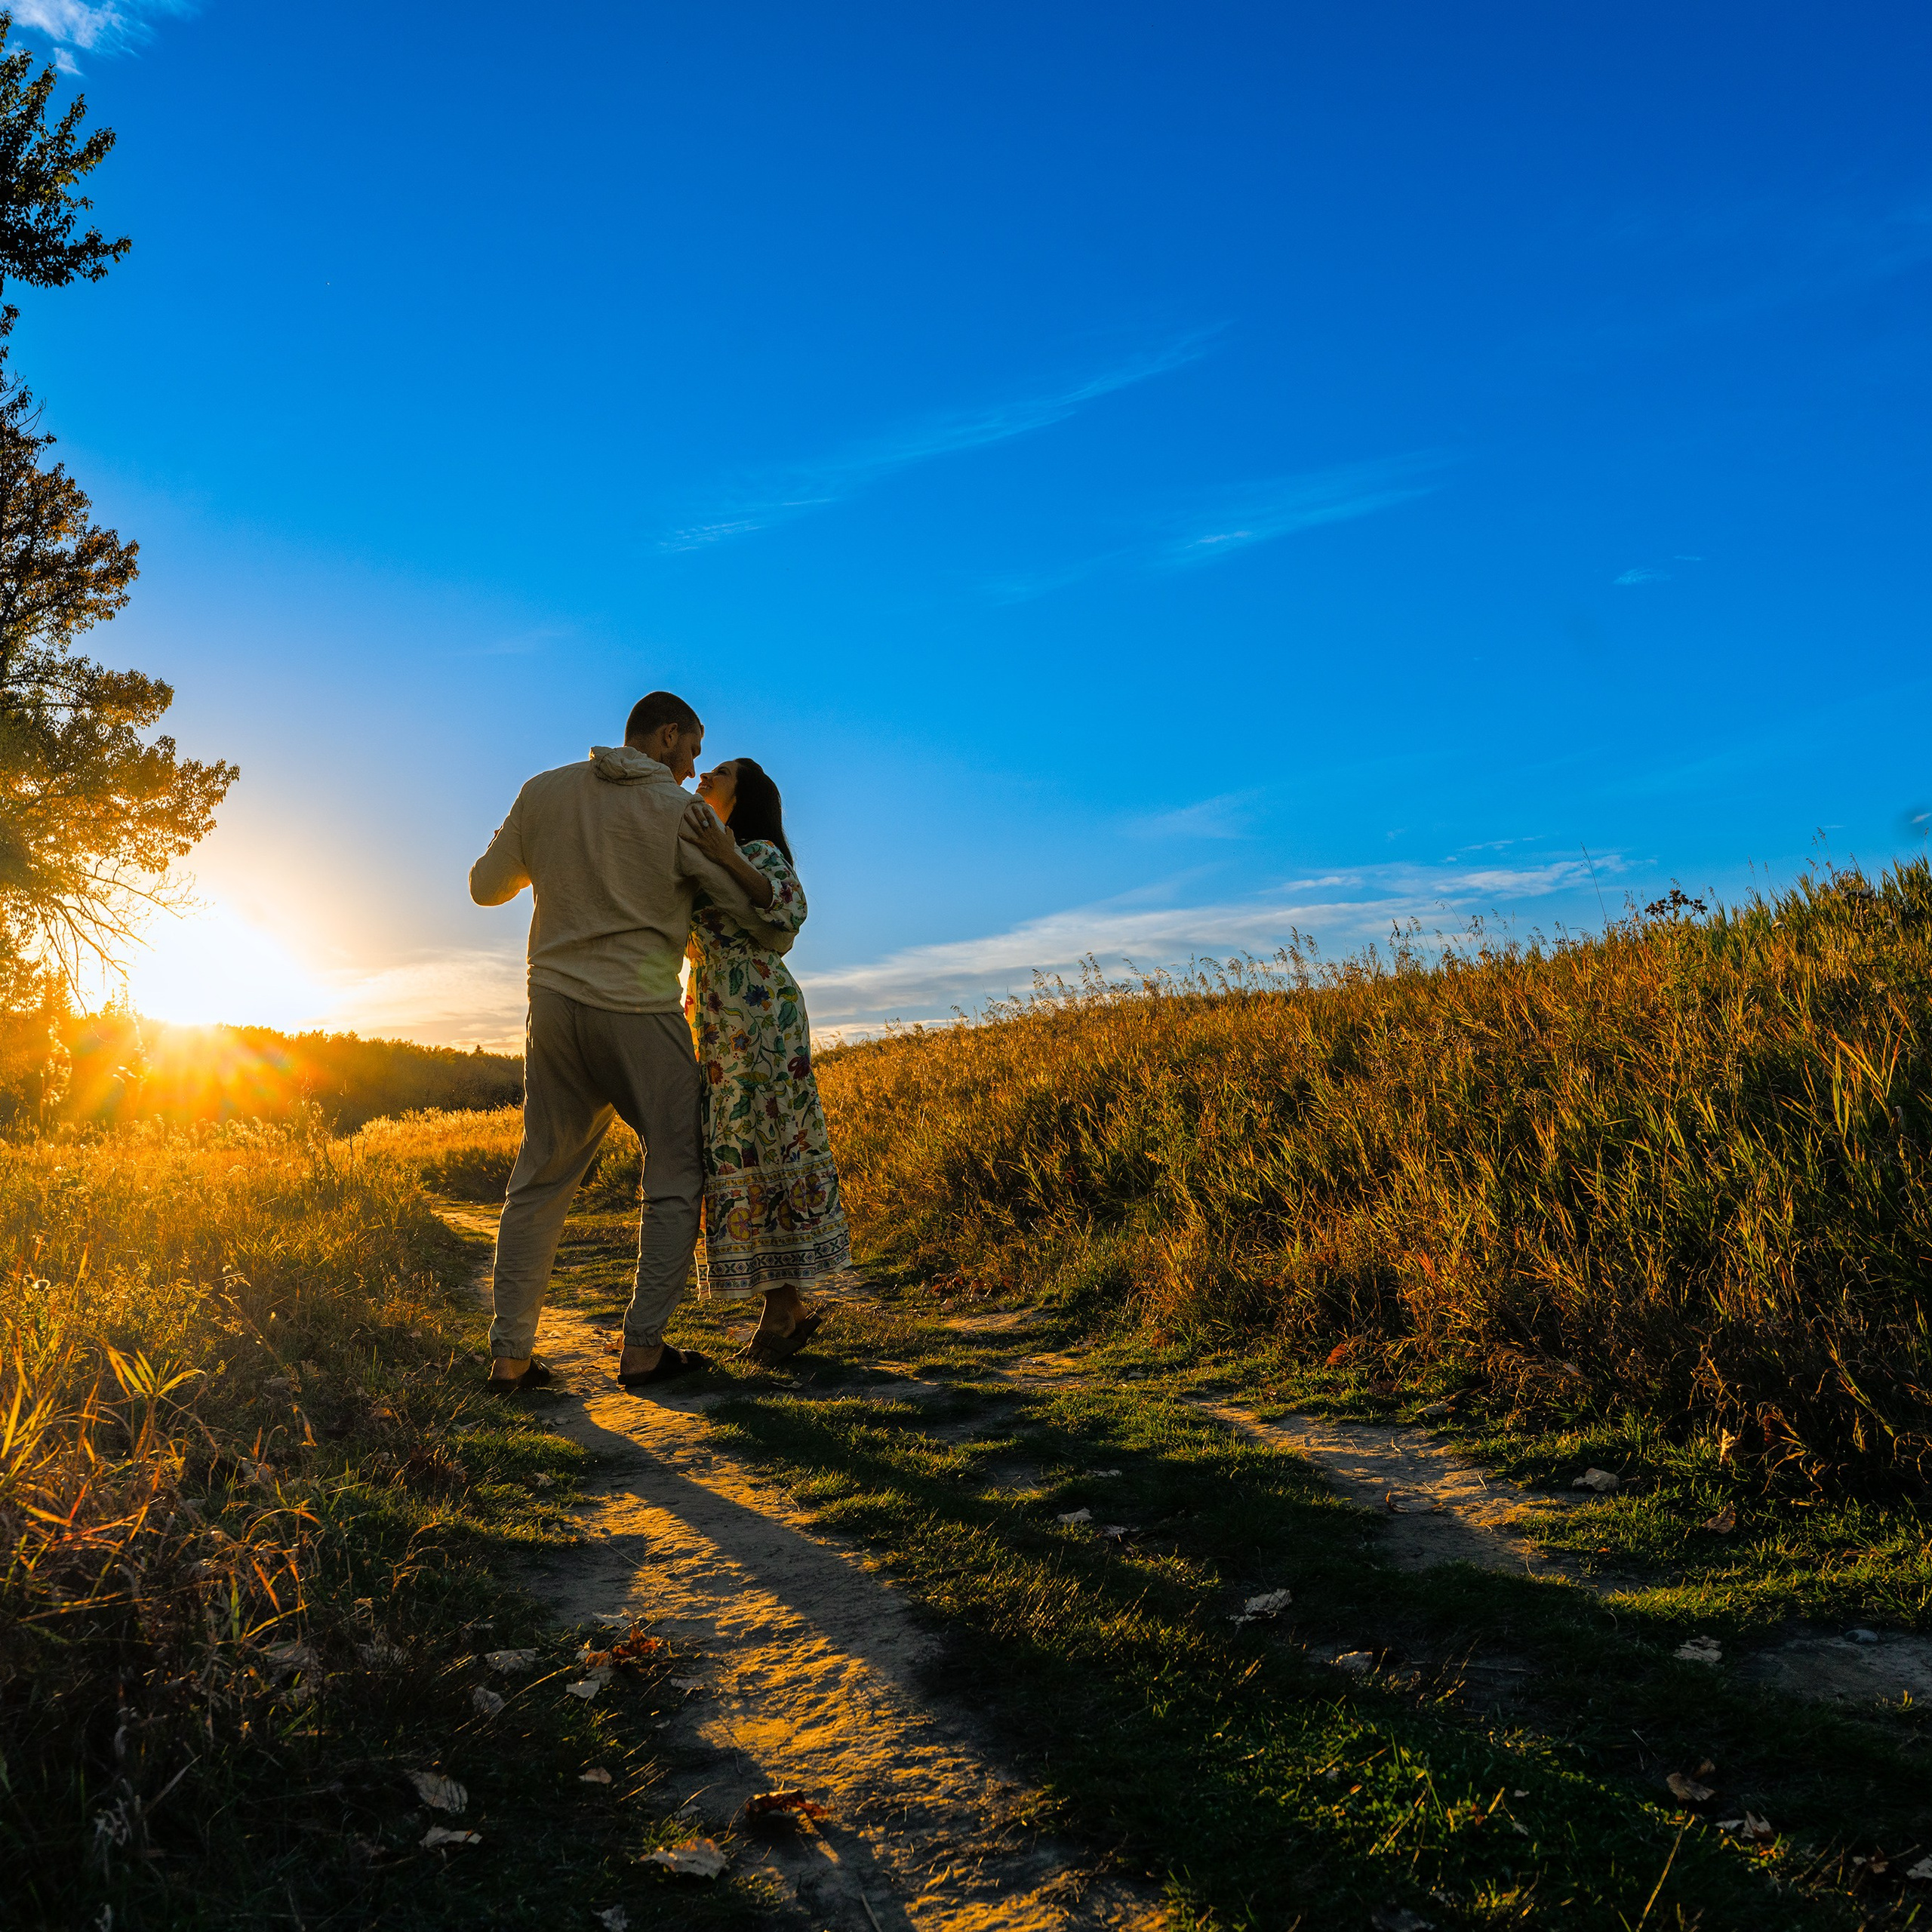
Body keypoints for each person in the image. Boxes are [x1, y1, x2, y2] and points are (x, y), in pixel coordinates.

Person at [467, 691, 794, 1394]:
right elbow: (760, 914)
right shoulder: (683, 814)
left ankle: (511, 1360)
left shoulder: (543, 790)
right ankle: (644, 1349)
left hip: (552, 1005)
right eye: (695, 749)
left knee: (541, 1176)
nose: (695, 765)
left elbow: (486, 888)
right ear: (668, 736)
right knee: (677, 1164)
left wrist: (550, 851)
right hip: (640, 1011)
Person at [681, 758, 852, 1363]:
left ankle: (782, 1311)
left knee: (772, 1141)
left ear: (744, 793)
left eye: (720, 772)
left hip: (760, 1012)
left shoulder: (757, 849)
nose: (706, 775)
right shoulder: (699, 845)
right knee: (738, 1148)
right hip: (717, 1014)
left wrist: (726, 854)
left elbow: (789, 909)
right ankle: (784, 1308)